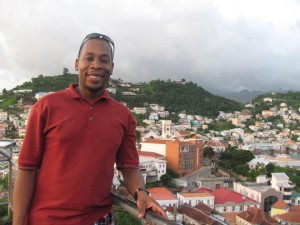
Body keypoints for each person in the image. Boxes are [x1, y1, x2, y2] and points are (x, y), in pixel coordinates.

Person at [13, 33, 166, 225]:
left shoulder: (123, 116)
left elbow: (129, 167)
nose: (96, 65)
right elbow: (27, 169)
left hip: (100, 218)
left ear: (112, 68)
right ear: (77, 64)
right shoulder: (46, 106)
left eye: (104, 60)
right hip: (47, 219)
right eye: (89, 58)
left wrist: (141, 194)